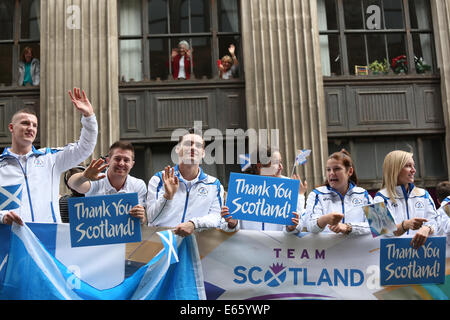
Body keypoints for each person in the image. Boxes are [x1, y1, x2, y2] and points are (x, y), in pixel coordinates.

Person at [0, 88, 98, 225]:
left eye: (34, 125)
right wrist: (2, 217)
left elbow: (84, 148)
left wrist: (89, 117)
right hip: (13, 239)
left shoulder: (50, 158)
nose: (31, 128)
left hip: (48, 238)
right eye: (25, 123)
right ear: (11, 128)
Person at [146, 129, 224, 237]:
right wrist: (167, 197)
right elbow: (151, 218)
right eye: (188, 144)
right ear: (177, 149)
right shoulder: (159, 179)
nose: (193, 148)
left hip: (197, 248)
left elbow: (216, 218)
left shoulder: (214, 184)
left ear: (203, 153)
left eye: (198, 145)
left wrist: (193, 224)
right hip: (163, 246)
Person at [221, 147, 306, 233]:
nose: (281, 167)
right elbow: (225, 226)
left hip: (277, 245)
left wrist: (291, 227)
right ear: (259, 166)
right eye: (276, 163)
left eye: (280, 162)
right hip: (247, 245)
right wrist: (232, 224)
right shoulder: (240, 186)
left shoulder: (288, 186)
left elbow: (299, 225)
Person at [67, 141, 147, 225]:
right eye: (117, 159)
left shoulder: (139, 185)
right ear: (108, 160)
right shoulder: (96, 179)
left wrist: (141, 217)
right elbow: (73, 184)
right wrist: (84, 176)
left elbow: (142, 221)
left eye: (126, 160)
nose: (121, 163)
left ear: (132, 164)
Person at [374, 150, 439, 249]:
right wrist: (405, 225)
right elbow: (380, 231)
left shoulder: (424, 194)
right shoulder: (378, 197)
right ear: (394, 169)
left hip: (423, 255)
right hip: (392, 258)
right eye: (408, 166)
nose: (414, 170)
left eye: (413, 166)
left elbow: (437, 222)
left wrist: (427, 228)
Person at [304, 149, 372, 236]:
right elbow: (310, 226)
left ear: (350, 171)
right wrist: (325, 219)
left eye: (337, 169)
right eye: (328, 170)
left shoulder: (364, 194)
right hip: (327, 249)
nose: (331, 173)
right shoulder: (316, 194)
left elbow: (380, 226)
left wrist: (349, 227)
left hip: (358, 249)